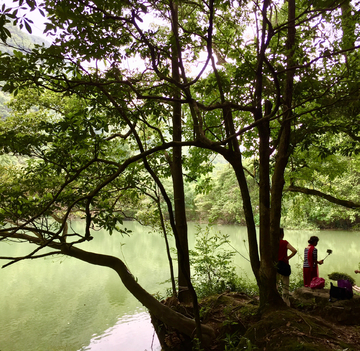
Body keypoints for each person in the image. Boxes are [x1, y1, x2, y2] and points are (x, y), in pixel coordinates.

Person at [277, 228, 297, 306]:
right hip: (284, 266)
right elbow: (294, 251)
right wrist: (288, 257)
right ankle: (286, 303)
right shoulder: (284, 243)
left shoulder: (273, 243)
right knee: (285, 286)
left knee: (276, 285)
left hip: (276, 266)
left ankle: (277, 302)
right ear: (282, 234)